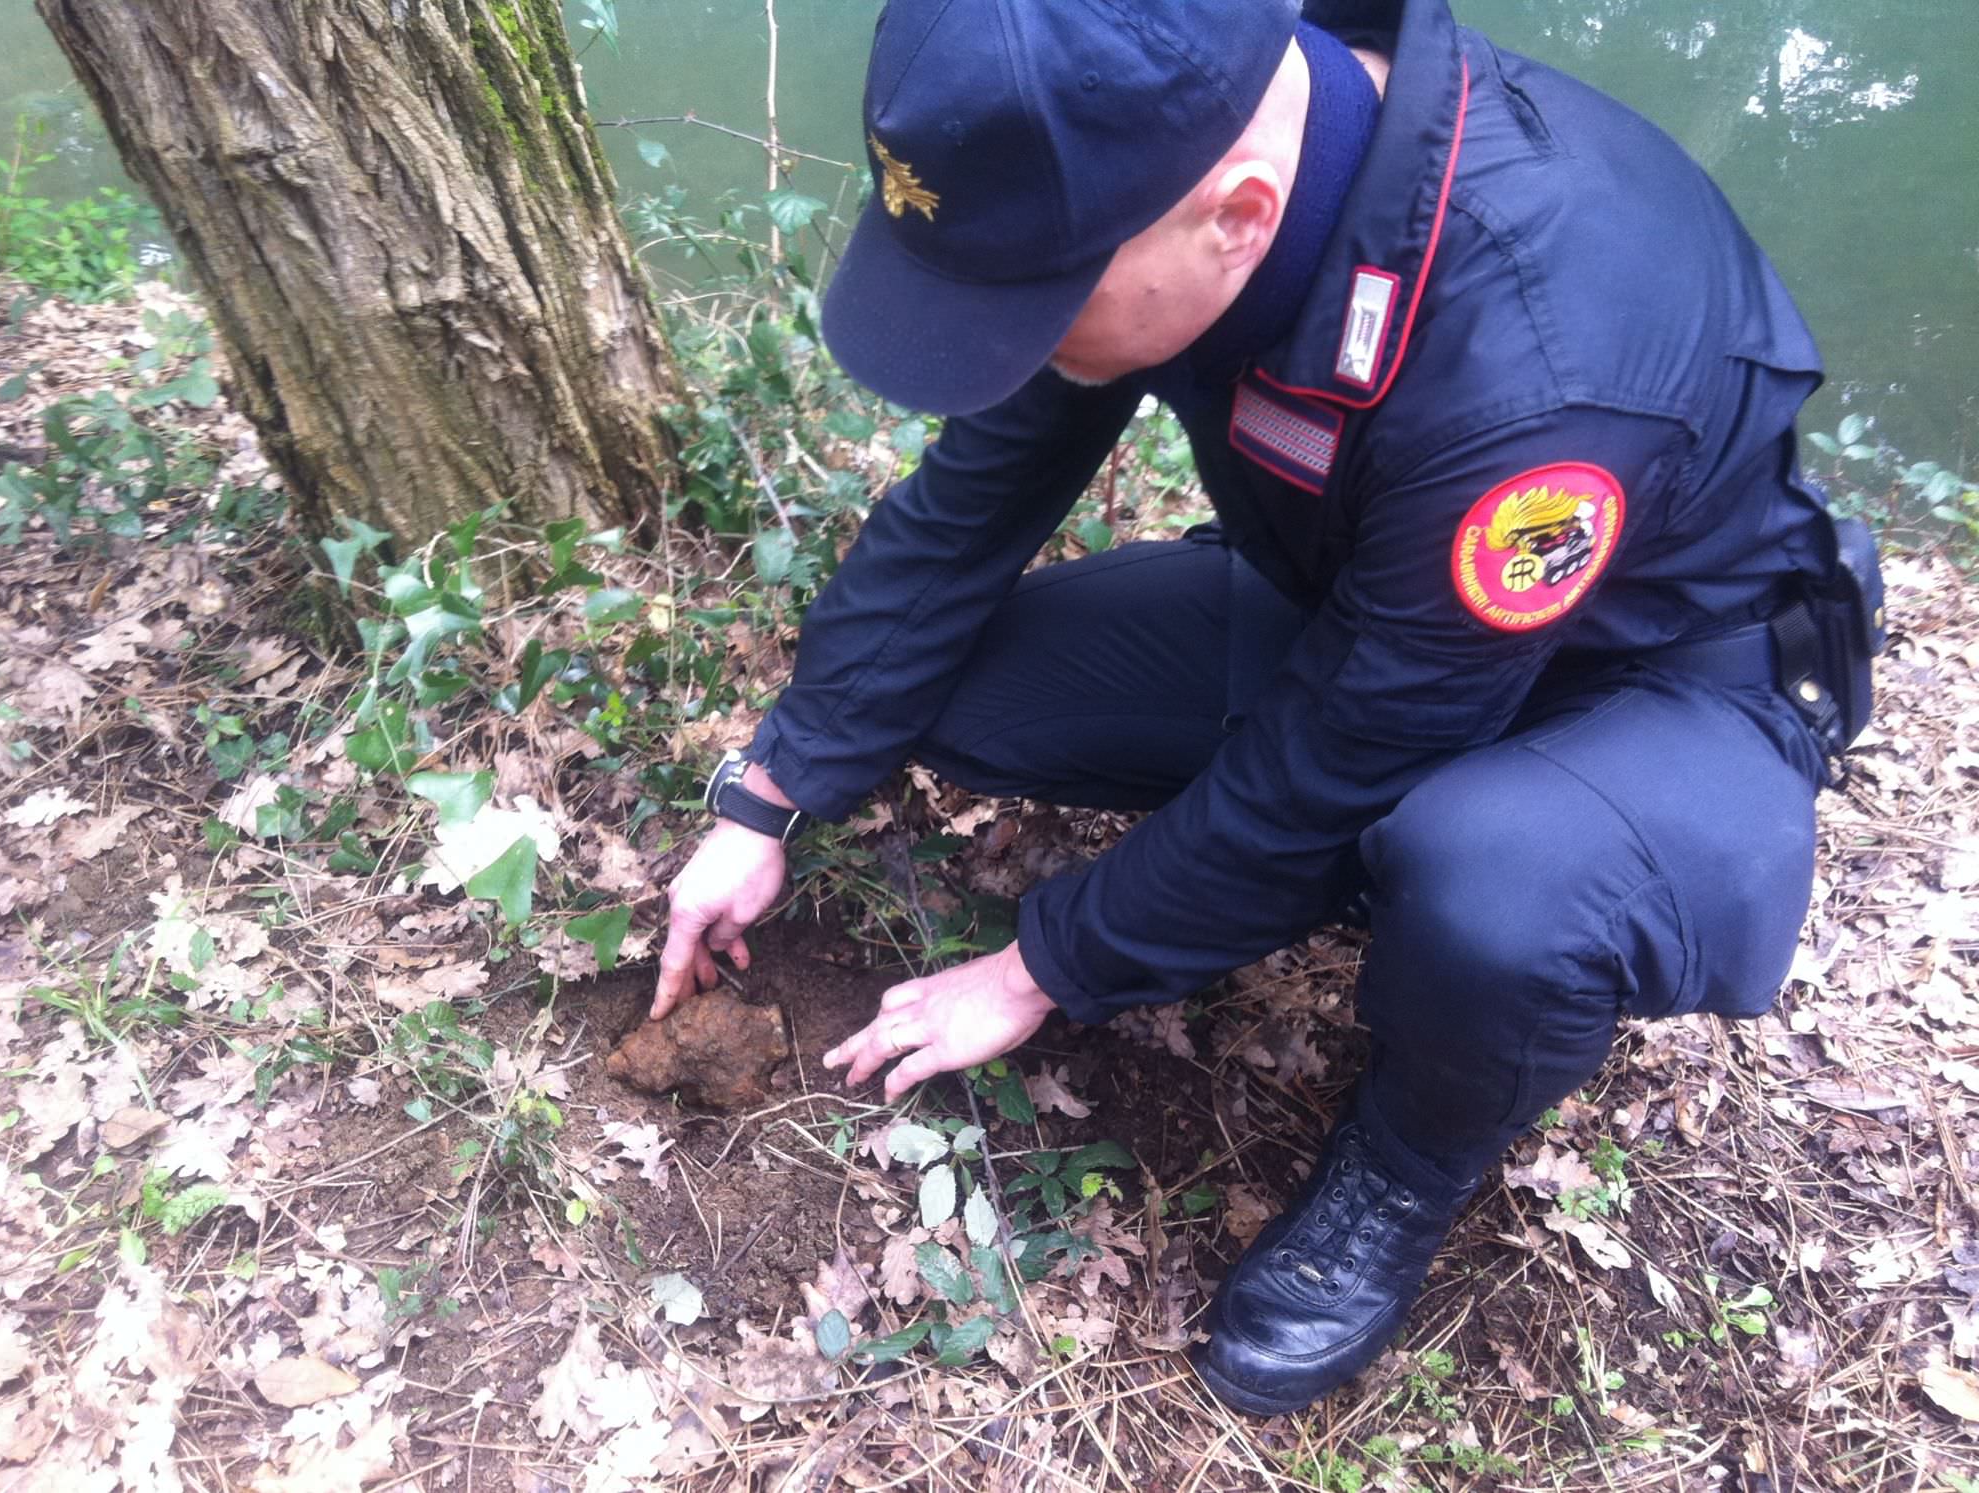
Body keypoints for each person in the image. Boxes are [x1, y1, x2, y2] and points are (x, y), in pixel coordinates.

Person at [646, 0, 1882, 1416]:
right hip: (1376, 608)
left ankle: (1411, 1155)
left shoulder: (1534, 363)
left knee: (1493, 888)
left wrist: (1044, 962)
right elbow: (969, 504)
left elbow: (1348, 746)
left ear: (1238, 219)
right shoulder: (1150, 151)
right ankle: (1350, 878)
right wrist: (773, 788)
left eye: (1037, 312)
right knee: (974, 685)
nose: (1017, 343)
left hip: (1657, 680)